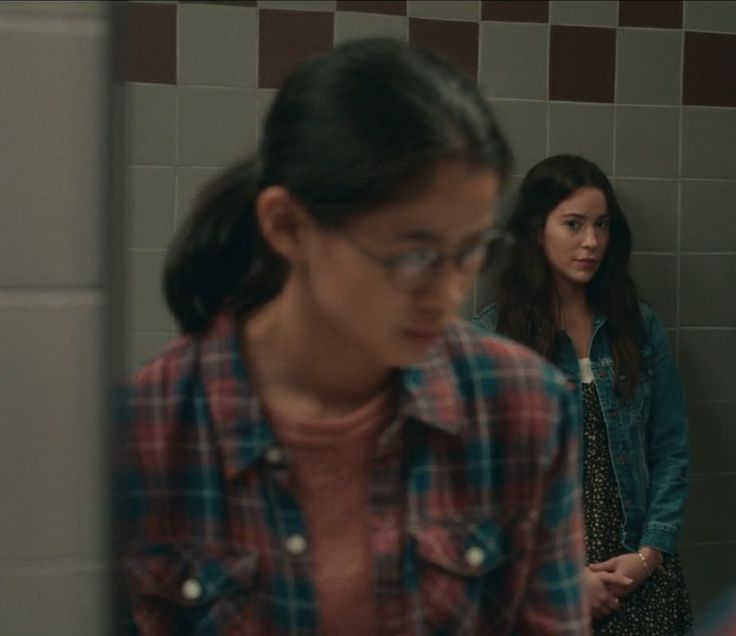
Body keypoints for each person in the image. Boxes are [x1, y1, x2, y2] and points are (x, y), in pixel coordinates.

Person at [114, 39, 588, 635]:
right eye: (413, 255)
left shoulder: (524, 409)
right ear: (287, 227)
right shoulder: (142, 435)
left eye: (470, 252)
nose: (447, 294)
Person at [474, 154, 693, 635]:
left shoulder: (637, 327)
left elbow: (670, 450)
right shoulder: (495, 339)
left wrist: (648, 555)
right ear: (537, 230)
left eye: (601, 225)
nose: (591, 241)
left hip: (638, 578)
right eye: (573, 224)